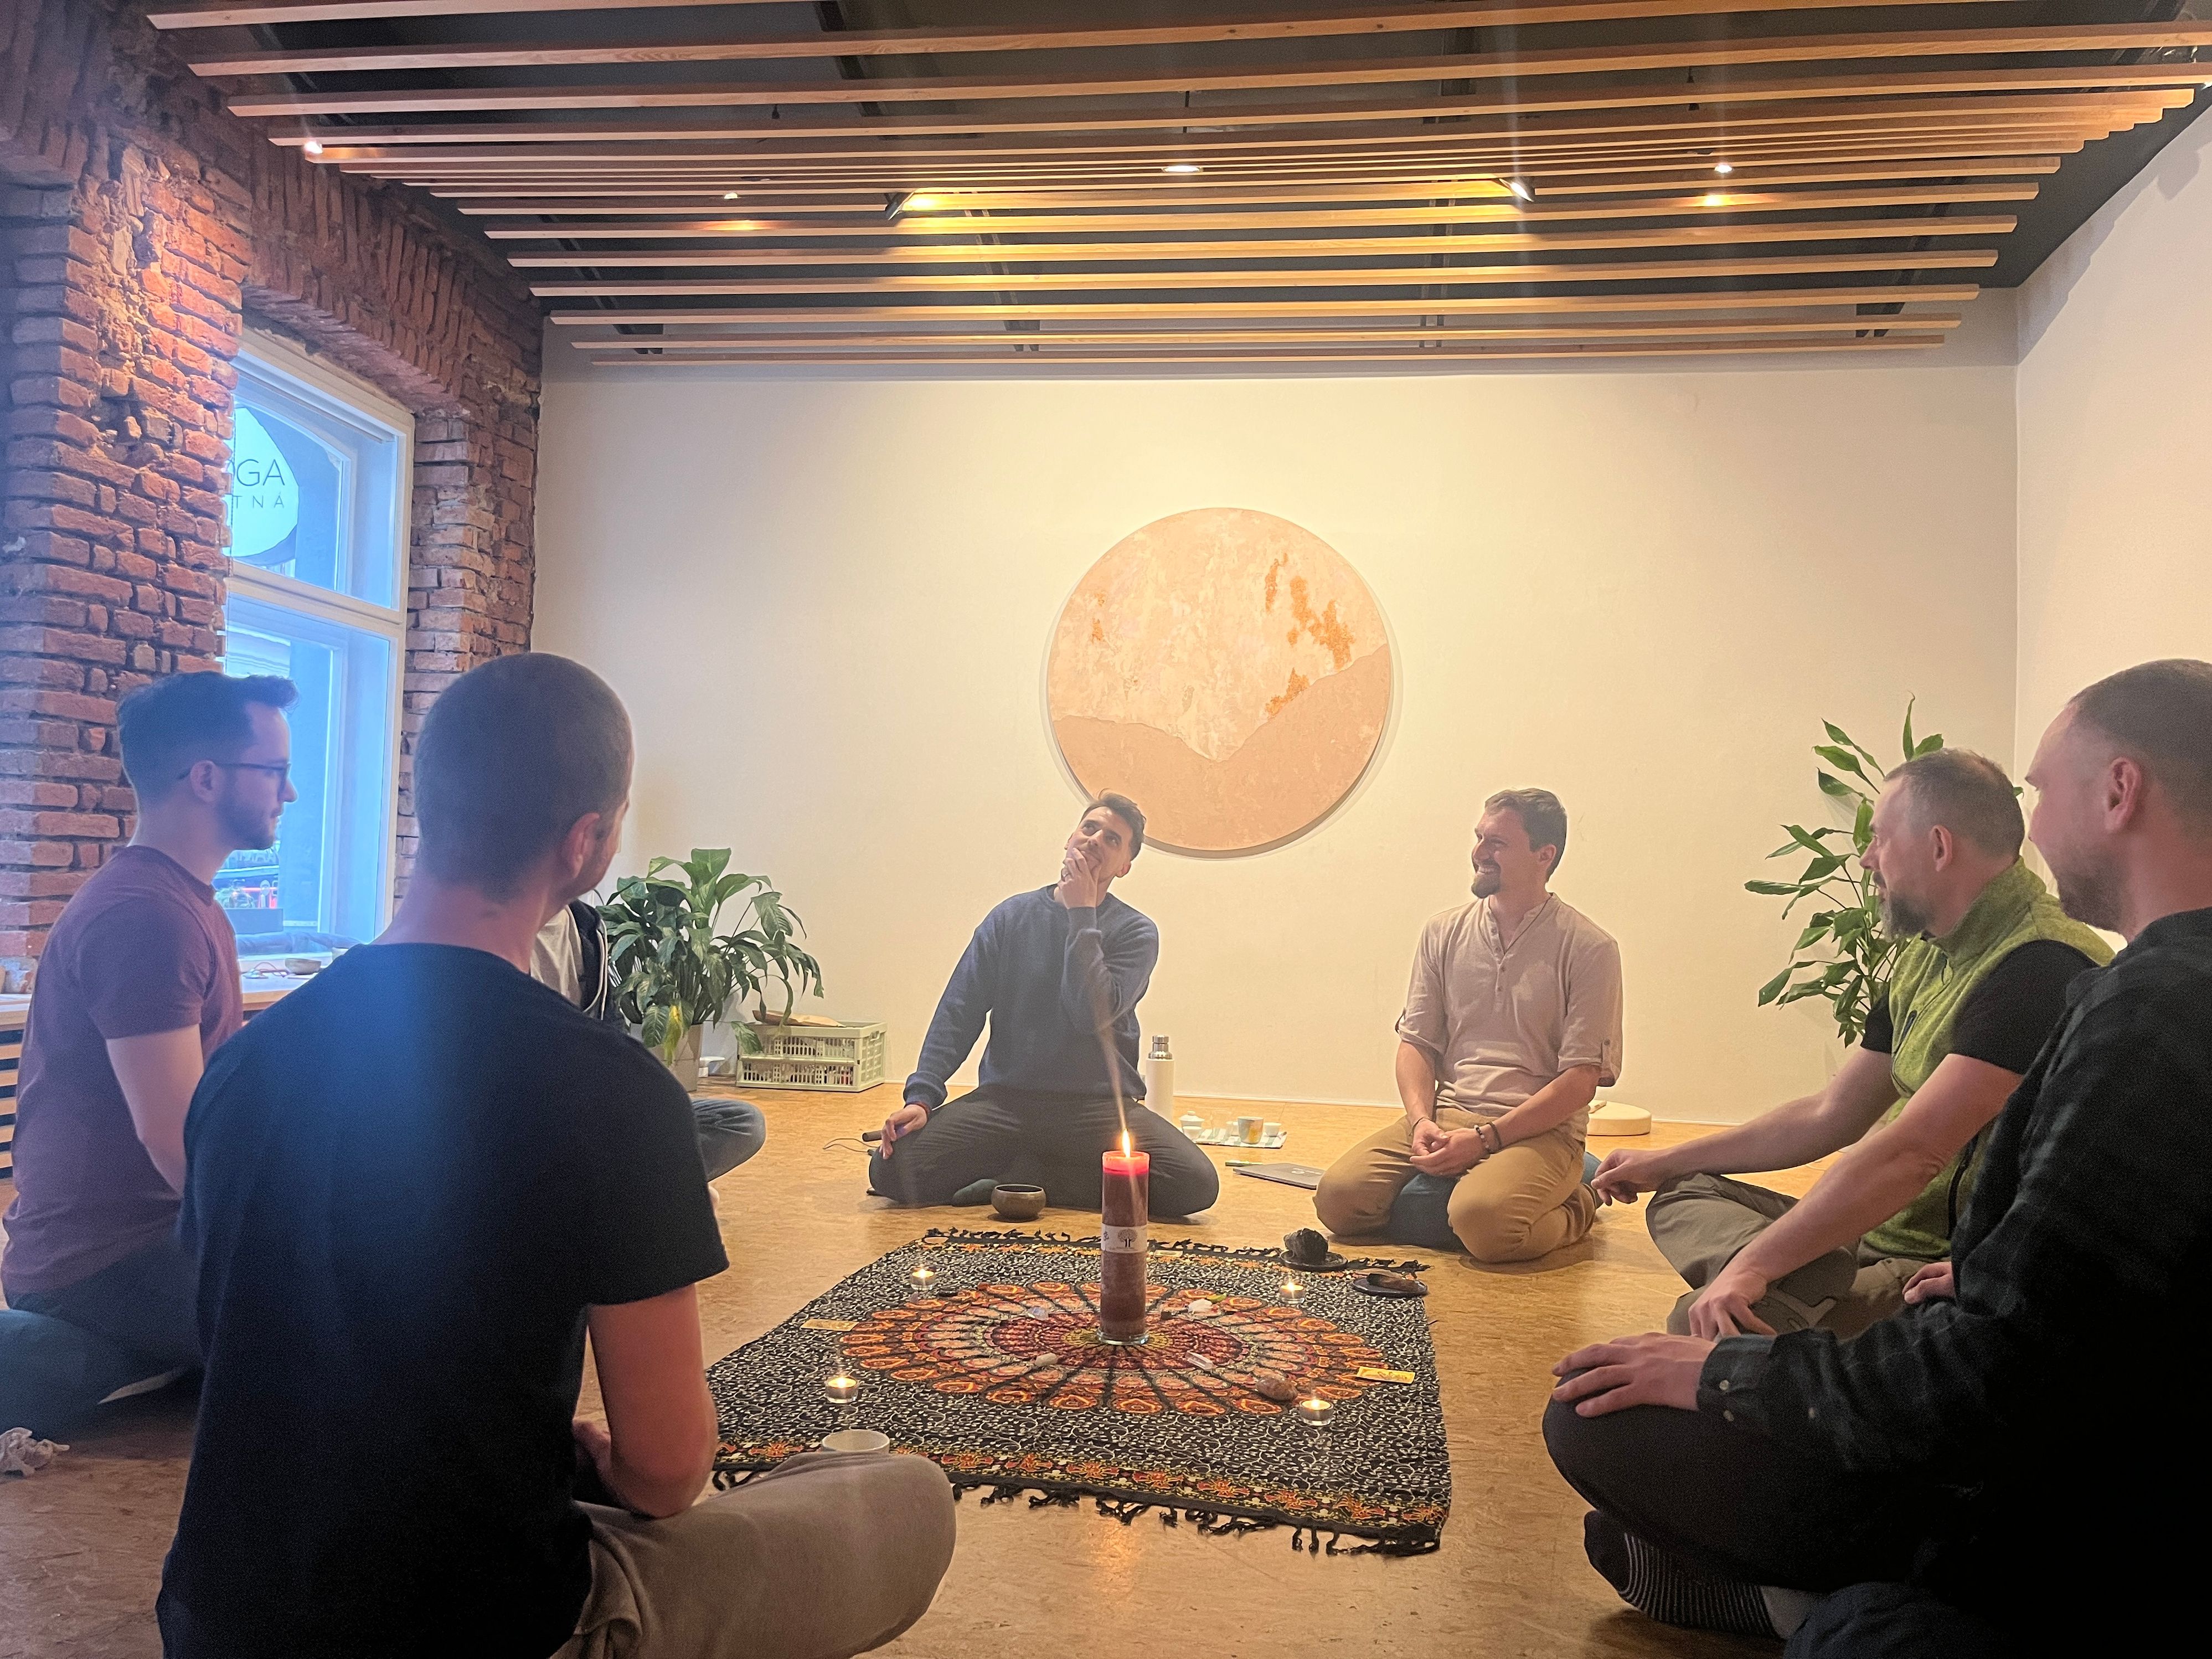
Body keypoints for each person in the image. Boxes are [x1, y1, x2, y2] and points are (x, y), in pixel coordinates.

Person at [158, 654, 955, 1659]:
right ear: (584, 842)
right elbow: (666, 1474)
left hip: (222, 1622)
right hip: (489, 1628)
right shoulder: (608, 1089)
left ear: (429, 808)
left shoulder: (240, 1066)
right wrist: (596, 1462)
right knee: (903, 1495)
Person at [1544, 658, 2212, 1655]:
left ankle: (1809, 1595)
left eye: (2042, 790)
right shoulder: (2026, 972)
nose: (2033, 826)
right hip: (1985, 1346)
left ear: (2119, 792)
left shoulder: (2104, 992)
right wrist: (1673, 1165)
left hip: (2036, 1494)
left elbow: (1924, 1190)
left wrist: (1731, 1373)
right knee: (1690, 1231)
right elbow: (1835, 1117)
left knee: (1602, 1417)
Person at [1593, 749, 2108, 1339]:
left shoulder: (2038, 966)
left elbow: (1912, 1155)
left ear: (1938, 847)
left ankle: (1787, 1305)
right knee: (1684, 1190)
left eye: (1880, 840)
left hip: (1935, 1267)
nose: (1866, 860)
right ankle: (1796, 1294)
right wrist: (1664, 1160)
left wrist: (1753, 1266)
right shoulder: (1928, 950)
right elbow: (1830, 1113)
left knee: (1698, 1327)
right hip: (1868, 1234)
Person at [0, 672, 297, 1439]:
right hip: (102, 1264)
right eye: (274, 771)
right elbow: (174, 1140)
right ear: (206, 778)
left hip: (144, 1244)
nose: (289, 793)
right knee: (367, 1311)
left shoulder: (185, 903)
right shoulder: (146, 916)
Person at [870, 794, 1218, 1217]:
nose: (1095, 840)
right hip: (1006, 1102)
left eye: (1112, 839)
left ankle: (1029, 1177)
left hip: (1096, 1109)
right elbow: (959, 1010)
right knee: (889, 1171)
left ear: (1124, 867)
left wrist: (1082, 915)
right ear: (1069, 839)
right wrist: (922, 1098)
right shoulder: (1010, 917)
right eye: (1089, 828)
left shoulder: (1136, 932)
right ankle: (1033, 1170)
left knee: (1194, 1184)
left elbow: (1087, 1014)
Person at [1313, 789, 1623, 1263]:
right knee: (1338, 1200)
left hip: (1541, 1131)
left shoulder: (1589, 948)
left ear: (1544, 855)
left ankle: (1580, 1201)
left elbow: (1581, 1081)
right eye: (1479, 837)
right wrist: (1421, 1120)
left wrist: (1486, 1140)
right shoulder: (1442, 932)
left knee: (1485, 1224)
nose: (1479, 852)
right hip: (1448, 1114)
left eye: (1496, 843)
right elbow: (1415, 1044)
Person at [529, 900, 765, 1182]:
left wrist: (640, 1096)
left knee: (742, 1122)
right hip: (541, 1122)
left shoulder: (585, 924)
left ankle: (636, 1189)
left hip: (598, 1111)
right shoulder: (498, 929)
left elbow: (611, 1031)